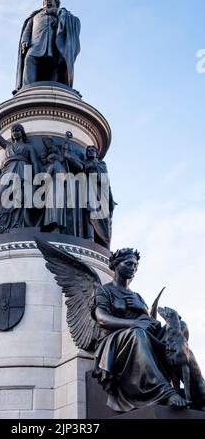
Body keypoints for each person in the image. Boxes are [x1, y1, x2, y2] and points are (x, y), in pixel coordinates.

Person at [91, 248, 189, 411]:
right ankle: (165, 392)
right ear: (115, 265)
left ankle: (191, 387)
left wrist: (143, 309)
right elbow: (101, 318)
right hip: (115, 341)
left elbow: (152, 324)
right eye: (129, 264)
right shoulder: (104, 290)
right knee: (138, 334)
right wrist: (134, 324)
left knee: (181, 326)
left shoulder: (137, 296)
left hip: (141, 335)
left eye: (136, 265)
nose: (133, 268)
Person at [14, 0, 80, 92]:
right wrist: (25, 41)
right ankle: (26, 88)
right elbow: (27, 30)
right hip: (36, 45)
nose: (47, 0)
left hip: (54, 46)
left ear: (56, 2)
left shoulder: (61, 13)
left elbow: (75, 22)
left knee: (54, 66)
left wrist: (58, 12)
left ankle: (56, 90)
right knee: (29, 60)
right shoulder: (35, 16)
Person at [0, 109, 39, 232]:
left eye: (17, 130)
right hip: (7, 171)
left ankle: (18, 224)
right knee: (1, 194)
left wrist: (38, 179)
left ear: (22, 133)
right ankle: (2, 224)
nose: (14, 133)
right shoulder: (7, 146)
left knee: (18, 198)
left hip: (22, 171)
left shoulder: (28, 147)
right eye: (13, 131)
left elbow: (34, 163)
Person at [83, 145, 115, 249]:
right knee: (89, 212)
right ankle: (89, 237)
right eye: (88, 150)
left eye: (93, 150)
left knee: (103, 218)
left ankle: (103, 242)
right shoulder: (85, 164)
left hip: (100, 193)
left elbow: (105, 179)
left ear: (97, 153)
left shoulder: (101, 164)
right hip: (89, 191)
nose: (91, 152)